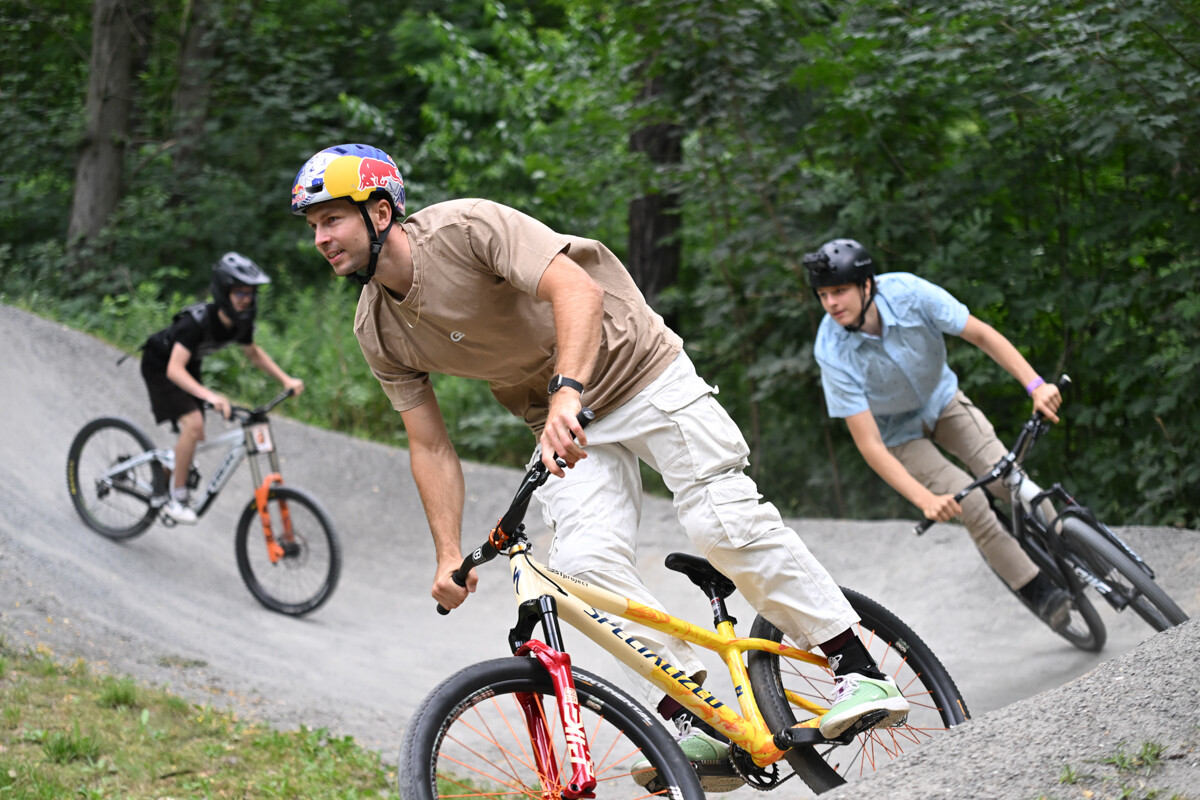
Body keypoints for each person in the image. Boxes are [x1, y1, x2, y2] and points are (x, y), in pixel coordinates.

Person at [290, 144, 910, 788]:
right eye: (313, 227)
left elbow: (575, 288)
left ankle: (857, 665)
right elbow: (430, 444)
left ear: (381, 212)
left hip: (639, 369)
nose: (321, 238)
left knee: (721, 523)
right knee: (582, 569)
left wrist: (568, 389)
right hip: (561, 420)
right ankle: (702, 715)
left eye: (331, 219)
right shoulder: (377, 328)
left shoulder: (467, 229)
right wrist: (448, 553)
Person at [804, 238, 1071, 628]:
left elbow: (981, 335)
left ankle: (1069, 544)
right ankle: (1039, 592)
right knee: (973, 505)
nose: (831, 303)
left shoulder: (910, 294)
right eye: (823, 294)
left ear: (866, 285)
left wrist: (1036, 386)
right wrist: (926, 499)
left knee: (1008, 477)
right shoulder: (831, 349)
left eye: (839, 290)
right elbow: (870, 444)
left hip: (943, 401)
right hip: (898, 434)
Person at [139, 253, 305, 524]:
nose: (246, 298)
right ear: (223, 291)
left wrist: (285, 379)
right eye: (239, 291)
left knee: (196, 432)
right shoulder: (194, 323)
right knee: (193, 425)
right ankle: (176, 498)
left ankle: (170, 469)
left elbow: (253, 353)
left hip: (187, 366)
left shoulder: (240, 321)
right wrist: (210, 396)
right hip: (161, 365)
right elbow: (174, 370)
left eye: (250, 292)